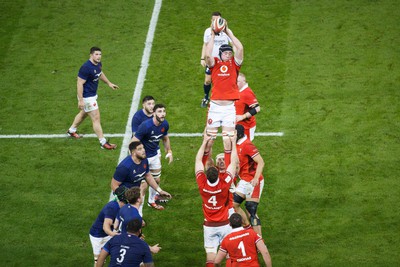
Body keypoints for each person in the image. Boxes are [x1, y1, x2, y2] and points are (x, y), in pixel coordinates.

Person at [204, 19, 243, 170]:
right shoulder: (214, 64)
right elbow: (207, 56)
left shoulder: (234, 64)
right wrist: (213, 36)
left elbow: (240, 48)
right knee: (209, 140)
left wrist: (229, 32)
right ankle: (206, 167)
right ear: (220, 54)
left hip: (228, 109)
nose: (229, 54)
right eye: (226, 52)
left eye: (229, 52)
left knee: (228, 140)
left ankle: (228, 172)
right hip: (215, 107)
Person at [195, 132, 238, 267]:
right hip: (225, 222)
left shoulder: (202, 184)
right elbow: (234, 163)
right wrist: (233, 142)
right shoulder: (224, 183)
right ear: (218, 175)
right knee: (230, 253)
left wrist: (205, 142)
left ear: (206, 175)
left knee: (211, 254)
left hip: (209, 225)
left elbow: (198, 161)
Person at [67, 46, 119, 150]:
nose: (99, 56)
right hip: (86, 97)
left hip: (91, 95)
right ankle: (103, 143)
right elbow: (79, 83)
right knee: (96, 118)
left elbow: (99, 73)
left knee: (83, 114)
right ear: (91, 55)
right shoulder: (86, 68)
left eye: (100, 54)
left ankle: (71, 131)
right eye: (96, 54)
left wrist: (109, 83)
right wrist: (81, 100)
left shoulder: (98, 63)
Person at [110, 141, 172, 215]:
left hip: (135, 195)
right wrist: (125, 198)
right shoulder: (124, 167)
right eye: (139, 149)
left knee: (135, 220)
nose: (143, 150)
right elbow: (114, 184)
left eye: (143, 148)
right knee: (123, 220)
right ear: (133, 152)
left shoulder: (144, 160)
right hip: (125, 197)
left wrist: (160, 191)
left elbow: (148, 175)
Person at [131, 104, 173, 210]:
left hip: (154, 155)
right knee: (143, 186)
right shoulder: (146, 126)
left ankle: (151, 201)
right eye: (159, 111)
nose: (162, 113)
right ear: (154, 113)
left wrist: (169, 151)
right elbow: (134, 141)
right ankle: (138, 212)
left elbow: (165, 138)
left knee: (157, 180)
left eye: (164, 111)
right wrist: (136, 156)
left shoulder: (165, 124)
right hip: (143, 157)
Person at [233, 124, 265, 236]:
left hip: (253, 181)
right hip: (244, 181)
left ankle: (258, 240)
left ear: (239, 134)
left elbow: (261, 162)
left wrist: (256, 178)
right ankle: (247, 228)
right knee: (233, 204)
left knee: (251, 209)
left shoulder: (247, 145)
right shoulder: (236, 144)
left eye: (234, 133)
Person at [89, 186, 128, 266]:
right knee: (99, 261)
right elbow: (106, 227)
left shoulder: (124, 206)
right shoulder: (112, 207)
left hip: (110, 233)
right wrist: (115, 234)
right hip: (98, 236)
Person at [200, 11, 232, 108]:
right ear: (211, 20)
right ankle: (206, 97)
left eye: (218, 20)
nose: (215, 21)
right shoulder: (207, 32)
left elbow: (233, 44)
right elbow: (205, 45)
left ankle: (223, 99)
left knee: (222, 82)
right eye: (214, 20)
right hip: (211, 62)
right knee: (207, 81)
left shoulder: (225, 32)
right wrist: (202, 58)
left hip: (223, 62)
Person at [130, 95, 156, 214]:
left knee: (156, 178)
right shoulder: (137, 117)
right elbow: (136, 138)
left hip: (153, 149)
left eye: (153, 104)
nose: (151, 106)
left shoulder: (156, 115)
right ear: (143, 105)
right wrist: (139, 153)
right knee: (142, 183)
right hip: (141, 151)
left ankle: (152, 200)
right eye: (149, 104)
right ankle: (138, 210)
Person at [235, 73, 261, 141]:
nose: (235, 83)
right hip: (237, 125)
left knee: (244, 148)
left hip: (246, 127)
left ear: (244, 82)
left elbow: (257, 108)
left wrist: (243, 116)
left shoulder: (247, 93)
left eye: (237, 81)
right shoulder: (237, 90)